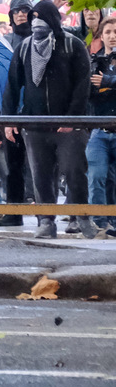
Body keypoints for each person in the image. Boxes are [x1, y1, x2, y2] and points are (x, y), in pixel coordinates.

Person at [3, 0, 98, 238]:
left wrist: (72, 119)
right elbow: (12, 87)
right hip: (34, 126)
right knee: (41, 176)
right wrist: (8, 120)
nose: (36, 22)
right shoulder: (24, 48)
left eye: (41, 17)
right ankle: (46, 221)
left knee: (75, 171)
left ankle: (82, 217)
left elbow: (82, 85)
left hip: (68, 126)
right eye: (34, 17)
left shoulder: (72, 45)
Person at [0, 0, 35, 225]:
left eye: (25, 10)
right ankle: (13, 212)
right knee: (13, 167)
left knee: (42, 166)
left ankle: (44, 215)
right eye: (16, 10)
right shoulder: (4, 42)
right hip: (11, 110)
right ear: (10, 15)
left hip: (36, 110)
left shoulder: (42, 39)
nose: (21, 14)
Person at [87, 15, 116, 234]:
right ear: (101, 36)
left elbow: (103, 86)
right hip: (99, 130)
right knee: (97, 176)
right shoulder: (95, 61)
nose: (112, 36)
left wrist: (109, 82)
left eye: (115, 32)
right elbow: (89, 93)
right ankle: (99, 221)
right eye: (108, 32)